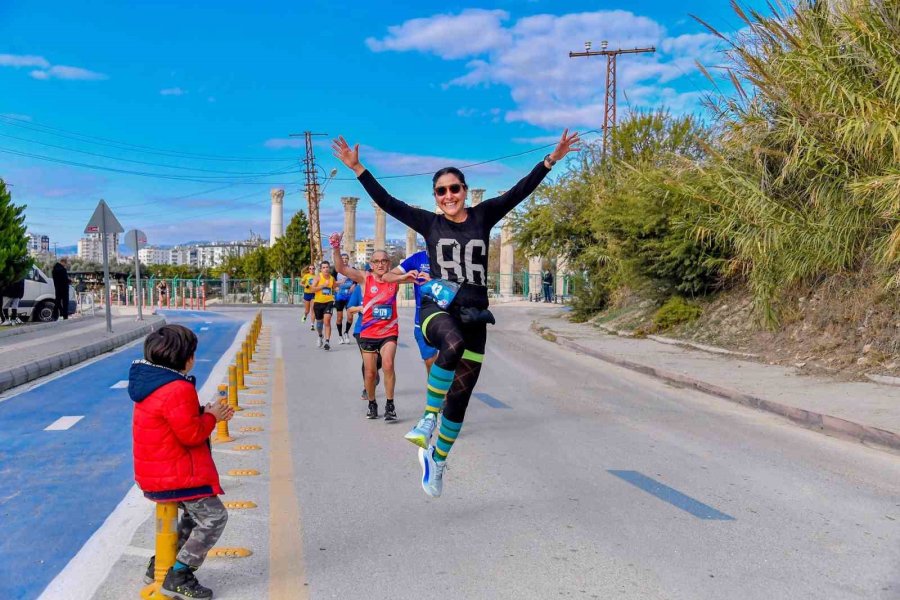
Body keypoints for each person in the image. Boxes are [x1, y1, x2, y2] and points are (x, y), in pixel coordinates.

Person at [333, 129, 580, 497]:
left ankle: (438, 460)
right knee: (450, 342)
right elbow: (388, 202)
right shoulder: (430, 224)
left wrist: (550, 161)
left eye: (454, 189)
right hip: (439, 304)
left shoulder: (484, 215)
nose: (449, 196)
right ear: (435, 197)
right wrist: (358, 169)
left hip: (476, 311)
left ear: (464, 190)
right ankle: (427, 418)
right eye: (441, 191)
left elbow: (519, 191)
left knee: (461, 398)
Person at [128, 324, 233, 599]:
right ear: (186, 358)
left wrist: (204, 411)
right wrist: (212, 417)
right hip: (177, 474)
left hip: (157, 471)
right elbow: (192, 434)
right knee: (214, 517)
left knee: (192, 515)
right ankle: (179, 574)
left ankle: (161, 565)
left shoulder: (151, 382)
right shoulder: (177, 388)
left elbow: (173, 421)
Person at [331, 234, 399, 421]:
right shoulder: (363, 278)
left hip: (389, 331)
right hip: (368, 332)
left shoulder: (395, 278)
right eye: (376, 261)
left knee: (388, 364)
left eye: (384, 261)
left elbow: (416, 276)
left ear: (389, 263)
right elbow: (340, 268)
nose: (380, 264)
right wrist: (336, 247)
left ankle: (390, 405)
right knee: (369, 372)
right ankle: (372, 402)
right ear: (370, 263)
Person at [382, 250, 438, 376]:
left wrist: (433, 282)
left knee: (448, 362)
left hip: (448, 316)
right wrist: (403, 277)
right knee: (430, 362)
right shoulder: (417, 258)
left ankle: (446, 393)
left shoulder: (449, 256)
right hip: (423, 319)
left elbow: (458, 284)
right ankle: (437, 394)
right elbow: (387, 277)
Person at [346, 269, 382, 403]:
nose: (371, 276)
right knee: (367, 360)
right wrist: (359, 309)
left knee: (380, 360)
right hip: (362, 329)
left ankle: (374, 373)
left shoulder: (383, 287)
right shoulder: (358, 289)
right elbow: (350, 308)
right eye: (369, 273)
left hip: (381, 329)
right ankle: (367, 387)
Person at [311, 260, 336, 350]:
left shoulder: (332, 278)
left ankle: (327, 342)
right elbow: (312, 289)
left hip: (329, 302)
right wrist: (322, 286)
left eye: (327, 267)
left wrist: (338, 288)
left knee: (327, 321)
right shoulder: (318, 278)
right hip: (318, 303)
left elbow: (334, 287)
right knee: (319, 324)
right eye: (324, 267)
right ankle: (320, 335)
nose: (325, 269)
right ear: (321, 269)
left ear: (329, 268)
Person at [333, 254, 356, 344]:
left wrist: (354, 285)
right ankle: (340, 336)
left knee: (350, 317)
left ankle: (346, 332)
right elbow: (332, 282)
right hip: (339, 296)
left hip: (350, 296)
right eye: (343, 259)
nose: (345, 260)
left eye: (346, 258)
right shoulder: (336, 270)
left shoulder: (352, 269)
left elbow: (357, 279)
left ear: (348, 260)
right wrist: (336, 286)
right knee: (339, 317)